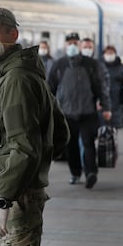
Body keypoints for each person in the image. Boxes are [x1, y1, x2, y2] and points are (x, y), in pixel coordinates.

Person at [0, 6, 70, 246]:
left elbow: (24, 148)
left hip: (16, 197)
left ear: (12, 35)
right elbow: (60, 134)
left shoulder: (16, 79)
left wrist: (4, 198)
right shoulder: (22, 73)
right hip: (18, 191)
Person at [48, 32, 112, 189]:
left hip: (88, 112)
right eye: (69, 43)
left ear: (79, 44)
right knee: (71, 146)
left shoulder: (91, 64)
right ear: (65, 45)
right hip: (67, 114)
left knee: (88, 143)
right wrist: (48, 109)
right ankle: (75, 173)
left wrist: (106, 107)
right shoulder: (59, 64)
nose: (72, 46)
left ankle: (91, 173)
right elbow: (50, 88)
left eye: (75, 43)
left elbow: (100, 87)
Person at [102, 45, 123, 128]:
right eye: (108, 53)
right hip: (103, 96)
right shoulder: (99, 65)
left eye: (111, 53)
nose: (109, 55)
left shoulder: (120, 66)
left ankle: (113, 137)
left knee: (114, 122)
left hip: (116, 96)